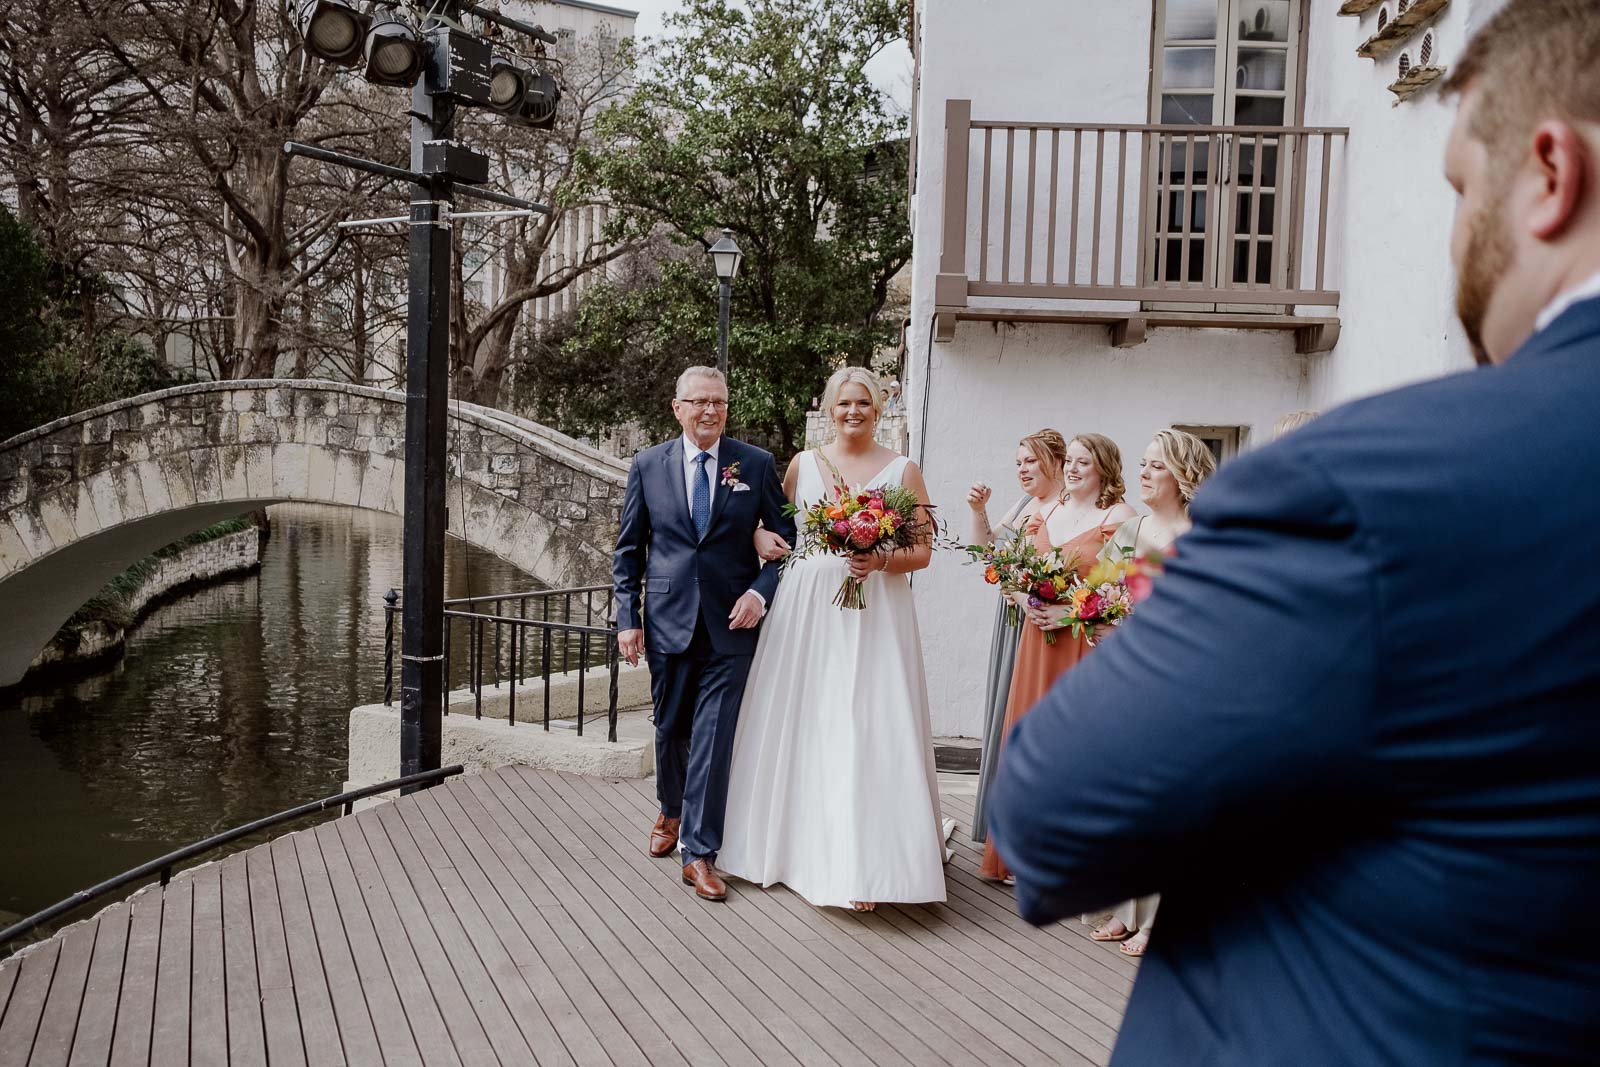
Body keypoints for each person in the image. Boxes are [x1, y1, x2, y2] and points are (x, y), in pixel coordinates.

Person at [987, 2, 1600, 1061]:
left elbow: (1054, 808)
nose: (1455, 236)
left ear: (1549, 171)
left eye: (1461, 189)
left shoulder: (1375, 480)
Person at [720, 366, 947, 912]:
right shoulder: (802, 464)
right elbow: (779, 527)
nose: (853, 412)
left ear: (879, 407)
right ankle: (798, 849)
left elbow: (922, 552)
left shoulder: (903, 470)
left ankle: (864, 863)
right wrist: (755, 533)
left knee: (866, 722)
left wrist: (879, 558)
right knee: (810, 717)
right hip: (807, 610)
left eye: (863, 403)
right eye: (844, 403)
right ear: (828, 408)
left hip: (877, 613)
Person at [612, 366, 796, 902]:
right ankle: (669, 810)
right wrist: (628, 618)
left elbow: (787, 540)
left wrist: (760, 592)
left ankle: (699, 852)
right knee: (670, 730)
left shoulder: (755, 463)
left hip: (731, 624)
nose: (710, 411)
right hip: (667, 622)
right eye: (699, 402)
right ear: (678, 408)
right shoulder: (648, 465)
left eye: (718, 402)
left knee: (713, 740)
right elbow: (629, 551)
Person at [978, 432, 1134, 883]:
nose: (1073, 468)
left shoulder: (1118, 517)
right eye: (1072, 462)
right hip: (1036, 640)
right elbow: (1013, 571)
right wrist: (1025, 599)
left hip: (1082, 645)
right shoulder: (1048, 512)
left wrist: (1072, 611)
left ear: (1104, 467)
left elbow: (1124, 588)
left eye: (1084, 462)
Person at [1084, 429, 1216, 957]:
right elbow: (1102, 590)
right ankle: (1127, 908)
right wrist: (1097, 620)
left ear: (1183, 475)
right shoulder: (1132, 529)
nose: (1142, 473)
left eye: (1154, 466)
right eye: (1140, 463)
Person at [965, 430, 1070, 845]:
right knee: (1005, 716)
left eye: (1030, 461)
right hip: (1011, 622)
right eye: (1018, 463)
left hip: (1043, 625)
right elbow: (986, 552)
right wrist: (978, 509)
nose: (1022, 470)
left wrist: (1025, 592)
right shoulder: (1026, 504)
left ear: (1056, 461)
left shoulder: (1067, 507)